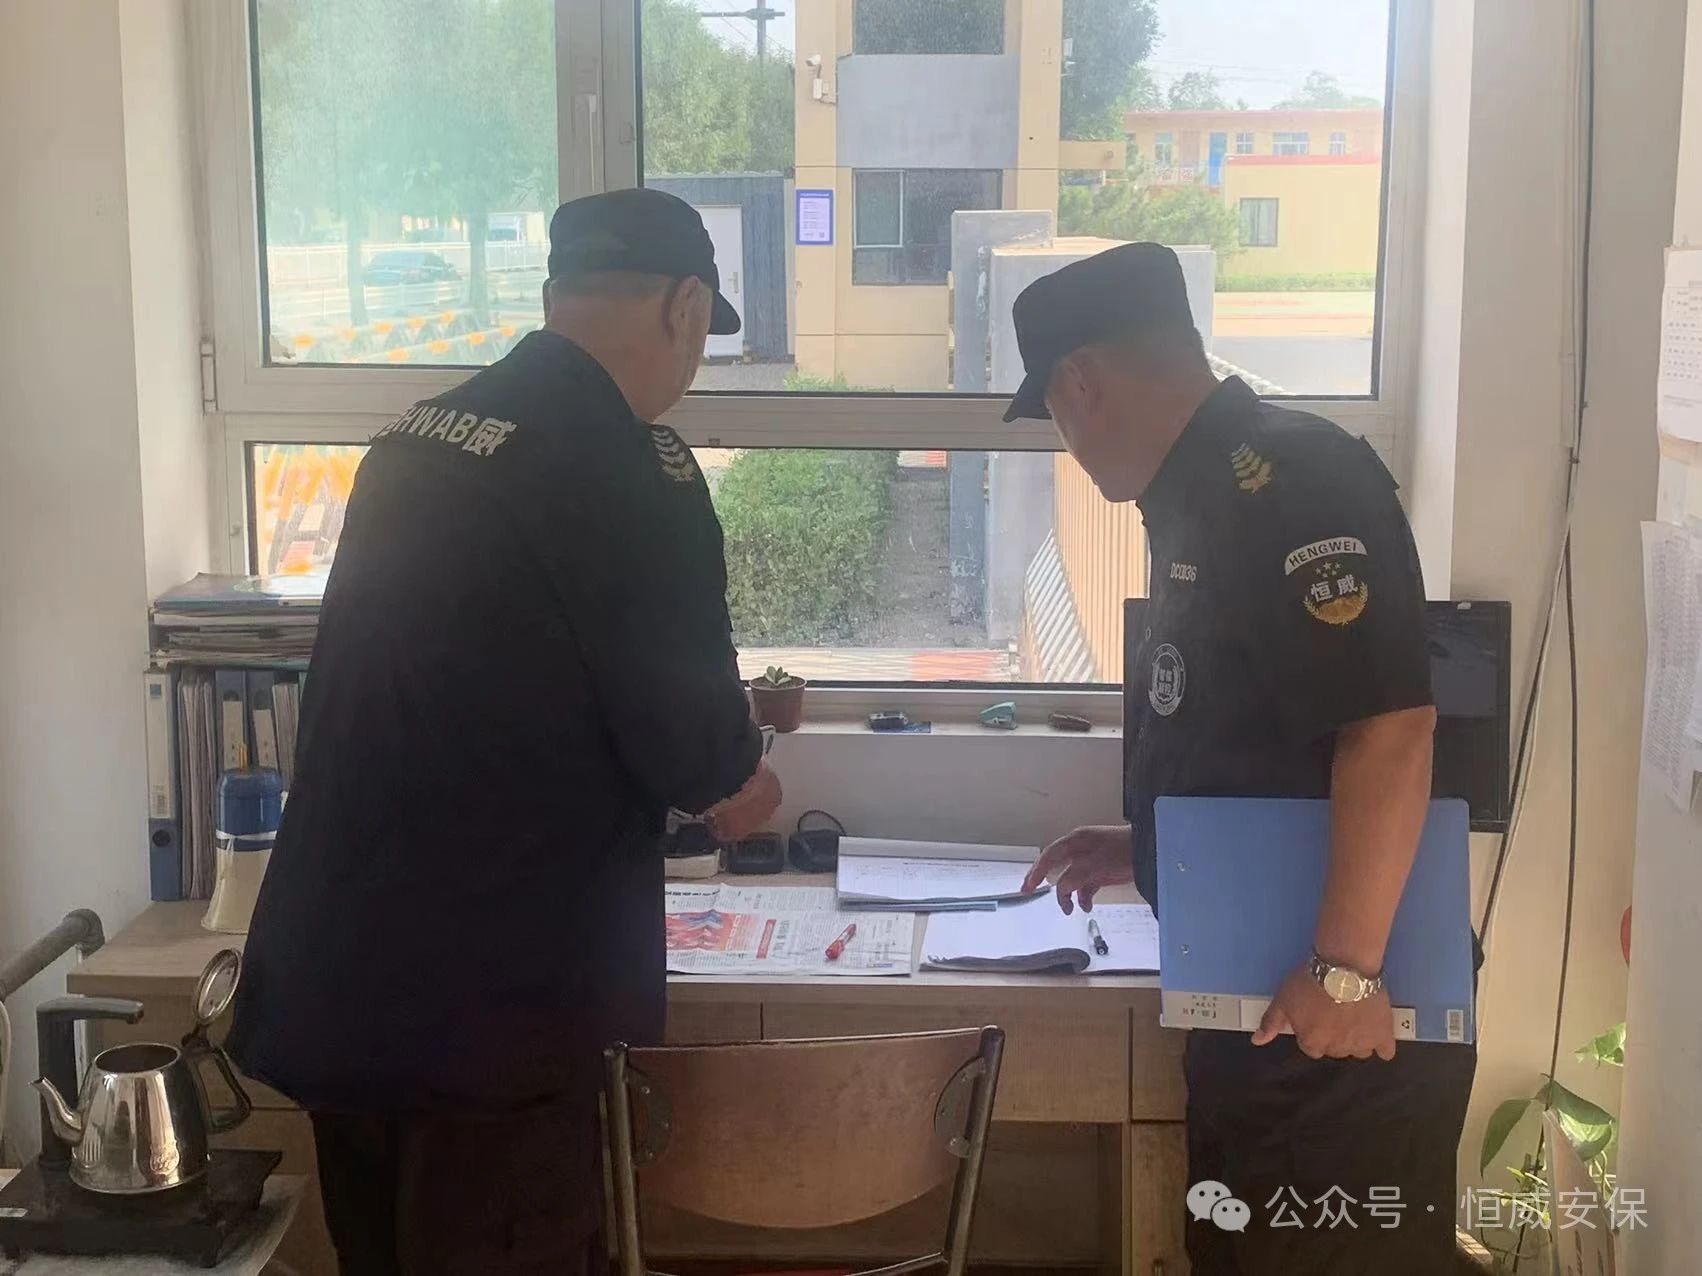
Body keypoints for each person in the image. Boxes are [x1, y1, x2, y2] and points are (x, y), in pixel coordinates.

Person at [227, 188, 781, 1276]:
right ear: (684, 307)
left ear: (554, 295)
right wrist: (748, 788)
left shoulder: (414, 440)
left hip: (342, 987)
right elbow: (700, 754)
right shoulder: (633, 469)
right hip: (494, 1022)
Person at [1011, 244, 1476, 1274]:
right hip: (1270, 1001)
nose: (1067, 446)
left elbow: (1389, 729)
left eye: (1052, 414)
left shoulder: (1289, 481)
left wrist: (1345, 973)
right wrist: (1147, 845)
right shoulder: (1198, 493)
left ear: (1079, 384)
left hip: (1338, 1021)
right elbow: (1256, 731)